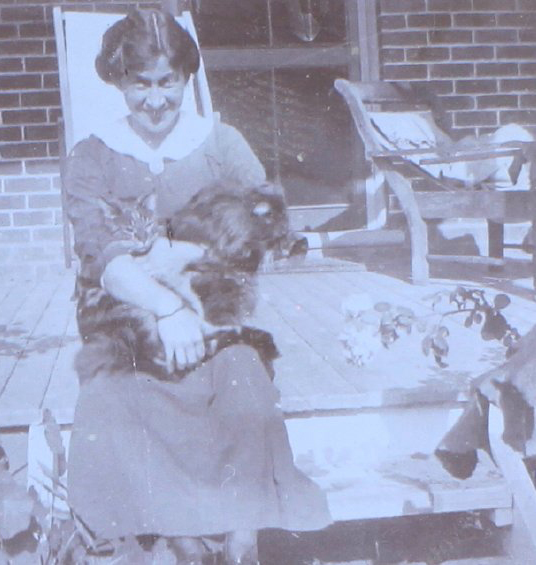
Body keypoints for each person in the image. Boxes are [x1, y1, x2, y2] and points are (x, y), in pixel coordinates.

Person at [62, 8, 331, 564]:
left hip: (216, 321)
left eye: (168, 82)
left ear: (187, 77)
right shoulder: (92, 156)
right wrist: (166, 307)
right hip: (126, 329)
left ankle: (241, 541)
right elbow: (102, 257)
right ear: (118, 82)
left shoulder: (219, 142)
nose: (155, 99)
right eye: (141, 84)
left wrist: (179, 255)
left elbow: (269, 219)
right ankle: (174, 544)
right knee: (111, 400)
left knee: (245, 390)